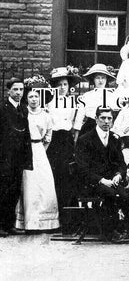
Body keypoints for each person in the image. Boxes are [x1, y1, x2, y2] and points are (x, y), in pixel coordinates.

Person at [74, 106, 129, 243]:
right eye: (103, 118)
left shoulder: (115, 138)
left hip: (111, 180)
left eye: (109, 118)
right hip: (91, 182)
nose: (106, 121)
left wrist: (118, 175)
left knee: (125, 195)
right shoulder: (85, 139)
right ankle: (111, 232)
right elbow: (82, 169)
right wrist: (102, 180)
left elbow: (121, 163)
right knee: (111, 195)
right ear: (96, 119)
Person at [15, 76, 59, 232]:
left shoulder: (46, 116)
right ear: (27, 99)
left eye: (36, 96)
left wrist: (40, 150)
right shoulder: (23, 114)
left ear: (41, 98)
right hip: (26, 150)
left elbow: (48, 137)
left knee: (44, 183)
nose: (33, 99)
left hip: (39, 150)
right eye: (31, 97)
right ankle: (28, 222)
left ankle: (45, 222)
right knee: (28, 184)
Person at [47, 66, 81, 218]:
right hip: (53, 139)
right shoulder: (49, 102)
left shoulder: (73, 102)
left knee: (67, 175)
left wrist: (74, 136)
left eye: (65, 85)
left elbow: (76, 122)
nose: (62, 88)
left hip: (66, 139)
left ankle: (68, 215)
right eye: (59, 84)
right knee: (54, 173)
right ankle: (53, 214)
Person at [0, 78, 32, 237]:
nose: (19, 92)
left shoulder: (23, 109)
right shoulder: (3, 109)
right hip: (5, 157)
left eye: (21, 89)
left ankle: (8, 224)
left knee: (14, 190)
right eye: (15, 89)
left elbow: (25, 134)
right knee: (3, 190)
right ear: (9, 91)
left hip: (18, 157)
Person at [74, 64, 116, 139]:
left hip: (106, 125)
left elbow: (114, 113)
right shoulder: (87, 95)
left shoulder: (112, 95)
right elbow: (80, 115)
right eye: (97, 78)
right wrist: (77, 133)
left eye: (103, 78)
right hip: (90, 126)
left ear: (106, 80)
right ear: (93, 80)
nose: (100, 81)